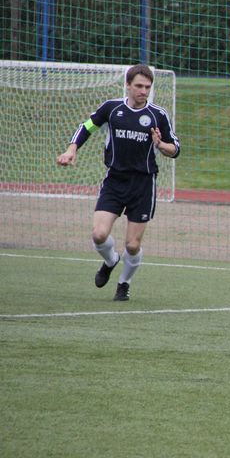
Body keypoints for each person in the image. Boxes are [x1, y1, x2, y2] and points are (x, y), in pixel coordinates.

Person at [56, 64, 180, 301]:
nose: (144, 91)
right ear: (128, 85)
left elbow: (175, 149)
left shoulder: (158, 115)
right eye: (139, 86)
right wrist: (72, 149)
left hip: (143, 185)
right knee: (99, 234)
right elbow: (87, 126)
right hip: (115, 180)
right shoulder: (112, 109)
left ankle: (124, 283)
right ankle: (111, 260)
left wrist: (160, 144)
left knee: (132, 245)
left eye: (148, 87)